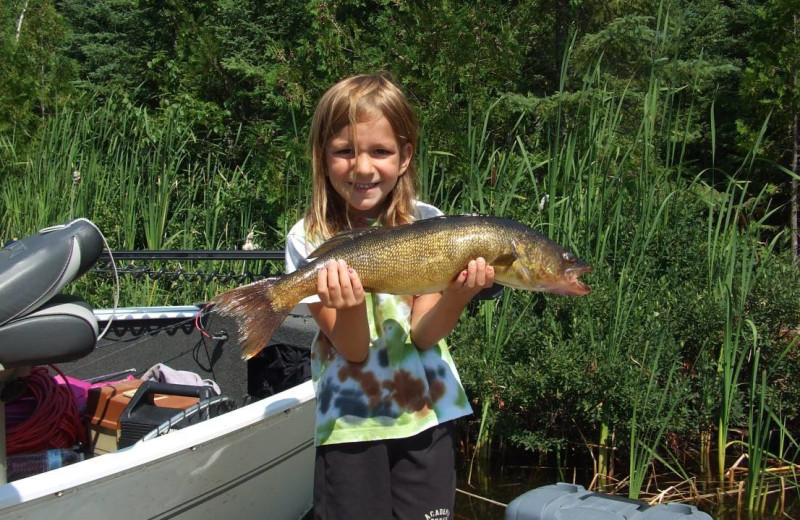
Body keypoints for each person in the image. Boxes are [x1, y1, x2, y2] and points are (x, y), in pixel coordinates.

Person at [285, 73, 494, 520]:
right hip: (351, 423)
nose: (363, 167)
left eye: (380, 151)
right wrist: (352, 302)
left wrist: (458, 297)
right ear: (322, 158)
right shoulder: (308, 239)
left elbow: (422, 335)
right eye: (345, 151)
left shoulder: (431, 224)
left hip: (426, 415)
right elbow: (354, 349)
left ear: (404, 157)